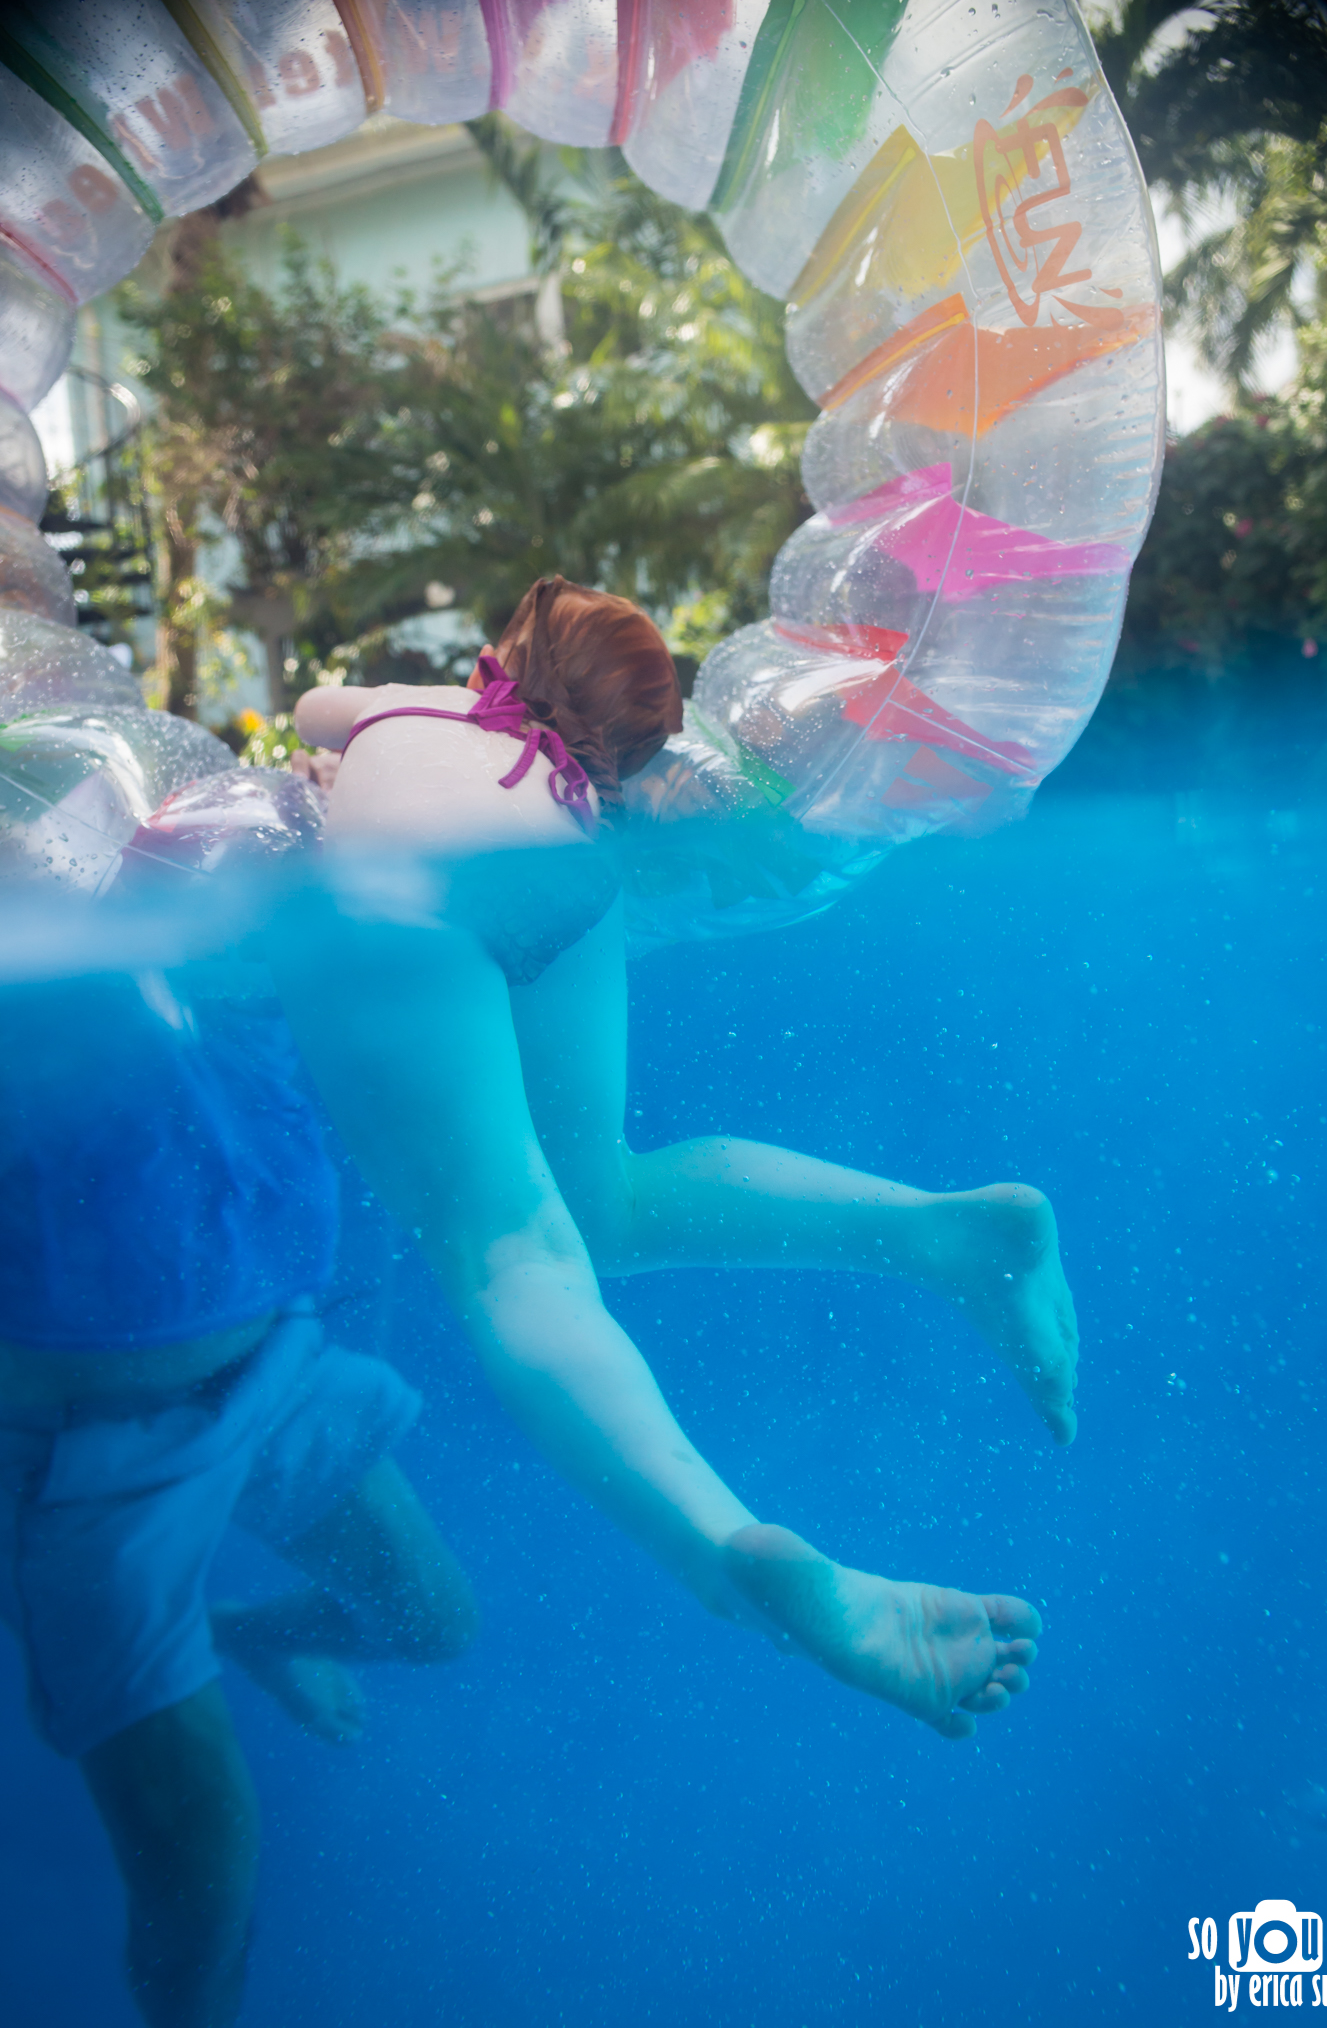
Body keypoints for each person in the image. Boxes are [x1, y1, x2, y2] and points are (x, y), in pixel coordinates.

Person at [281, 574, 1075, 1744]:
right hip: (565, 881)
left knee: (510, 1254)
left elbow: (308, 706)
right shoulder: (580, 802)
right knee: (597, 1201)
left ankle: (721, 1545)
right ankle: (939, 1231)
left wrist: (349, 757)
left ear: (504, 656)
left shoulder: (429, 709)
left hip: (409, 903)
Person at [0, 967, 476, 2028]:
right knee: (202, 1875)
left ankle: (239, 1635)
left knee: (435, 1622)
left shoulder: (222, 856)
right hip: (86, 1462)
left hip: (273, 1362)